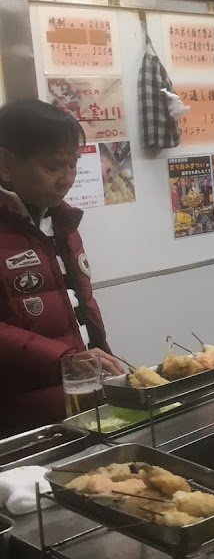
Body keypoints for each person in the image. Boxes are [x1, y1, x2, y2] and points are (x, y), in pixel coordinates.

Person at [0, 99, 123, 431]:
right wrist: (63, 359)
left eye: (73, 164)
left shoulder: (61, 220)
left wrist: (101, 355)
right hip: (18, 418)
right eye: (54, 166)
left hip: (77, 402)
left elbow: (81, 306)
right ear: (6, 164)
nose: (66, 179)